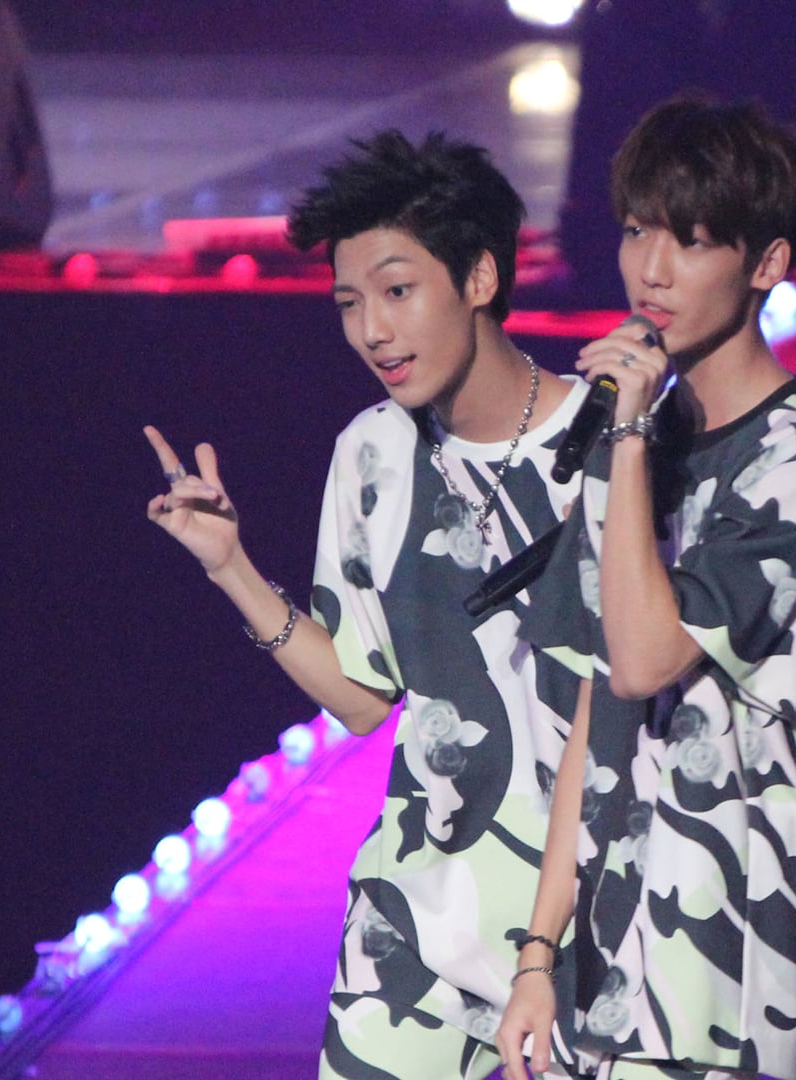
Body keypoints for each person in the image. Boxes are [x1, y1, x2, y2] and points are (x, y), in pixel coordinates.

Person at [144, 130, 592, 1079]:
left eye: (397, 291)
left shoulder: (607, 443)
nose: (372, 332)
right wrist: (230, 565)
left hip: (587, 922)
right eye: (349, 304)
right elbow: (358, 698)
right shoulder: (372, 453)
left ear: (480, 277)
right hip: (416, 917)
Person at [496, 96, 796, 1080]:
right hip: (608, 926)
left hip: (733, 937)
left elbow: (646, 659)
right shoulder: (641, 437)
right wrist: (538, 950)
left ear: (767, 263)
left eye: (693, 241)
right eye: (637, 231)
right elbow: (596, 701)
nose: (651, 270)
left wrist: (627, 439)